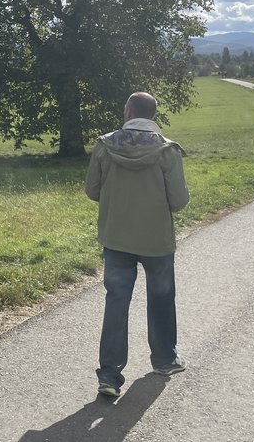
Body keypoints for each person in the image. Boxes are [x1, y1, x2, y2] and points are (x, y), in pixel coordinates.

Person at [85, 91, 190, 397]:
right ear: (152, 115)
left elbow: (93, 190)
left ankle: (109, 374)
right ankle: (165, 358)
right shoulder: (167, 150)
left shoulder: (105, 145)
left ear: (128, 111)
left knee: (116, 302)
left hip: (117, 236)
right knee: (161, 298)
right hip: (156, 239)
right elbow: (179, 201)